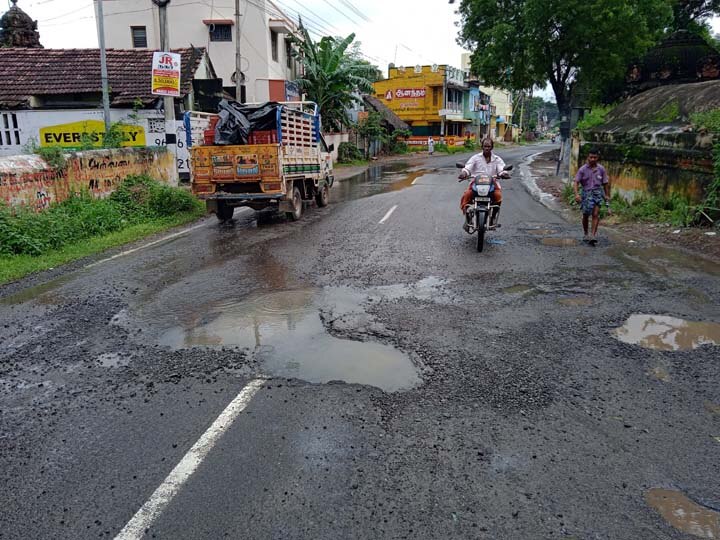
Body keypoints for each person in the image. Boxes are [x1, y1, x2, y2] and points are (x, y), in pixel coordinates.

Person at [458, 138, 509, 229]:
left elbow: (501, 169)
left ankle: (493, 218)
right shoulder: (475, 158)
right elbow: (468, 168)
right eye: (485, 146)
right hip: (476, 182)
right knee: (466, 195)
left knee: (498, 196)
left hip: (492, 183)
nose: (487, 148)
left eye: (489, 146)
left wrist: (504, 174)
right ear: (482, 147)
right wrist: (464, 173)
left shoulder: (497, 159)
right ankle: (467, 217)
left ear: (492, 147)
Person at [573, 147, 611, 245]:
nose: (593, 159)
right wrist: (577, 194)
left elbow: (605, 183)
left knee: (595, 214)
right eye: (591, 157)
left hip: (597, 194)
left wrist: (607, 195)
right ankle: (586, 233)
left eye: (595, 157)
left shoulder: (601, 169)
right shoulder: (582, 169)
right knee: (586, 215)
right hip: (586, 194)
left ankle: (593, 235)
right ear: (588, 157)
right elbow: (576, 182)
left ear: (597, 158)